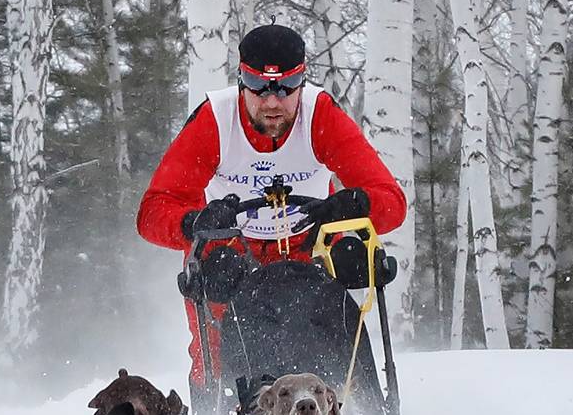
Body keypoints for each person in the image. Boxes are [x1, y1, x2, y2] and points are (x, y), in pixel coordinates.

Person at [136, 23, 407, 392]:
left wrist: (356, 204)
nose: (272, 102)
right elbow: (153, 212)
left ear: (303, 81)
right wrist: (193, 222)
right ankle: (220, 412)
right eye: (258, 85)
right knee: (218, 351)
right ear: (241, 80)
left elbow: (392, 202)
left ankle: (358, 409)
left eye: (286, 87)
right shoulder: (215, 119)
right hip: (232, 253)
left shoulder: (321, 115)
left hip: (306, 250)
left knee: (333, 339)